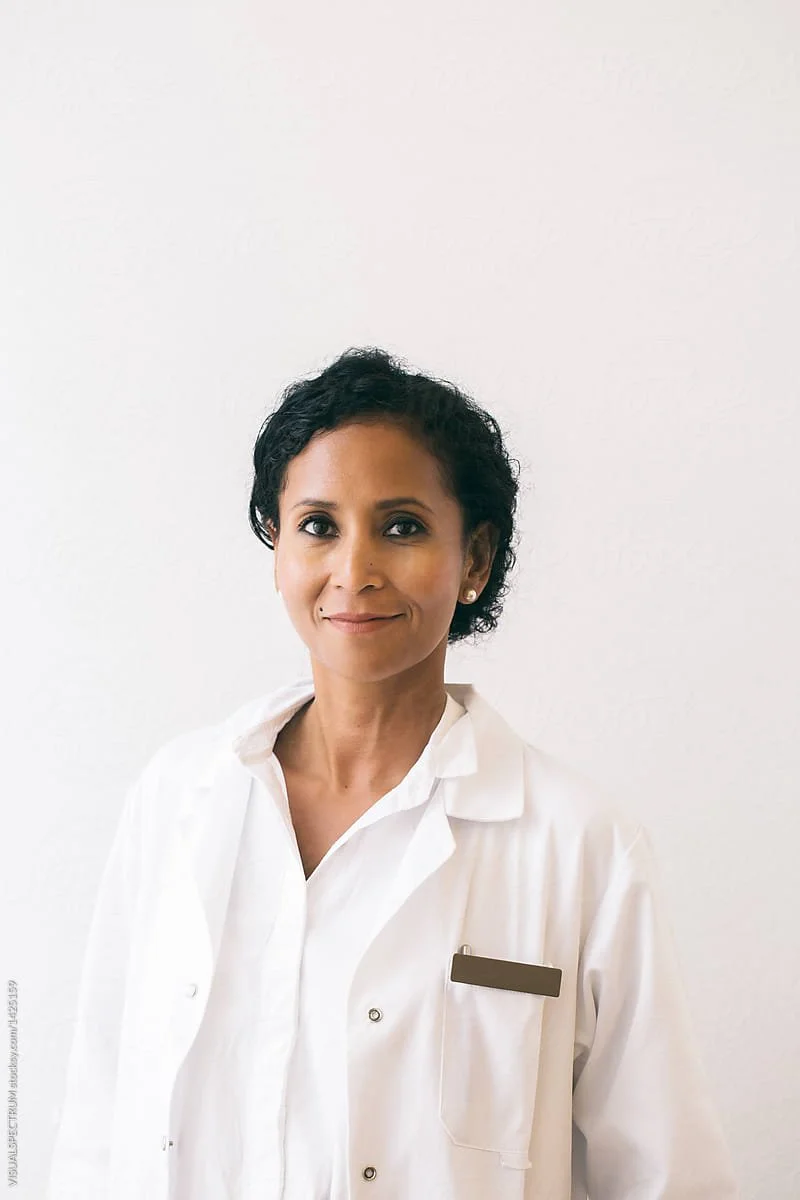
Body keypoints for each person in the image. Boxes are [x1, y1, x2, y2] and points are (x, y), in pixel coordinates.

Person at [47, 347, 739, 1199]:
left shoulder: (579, 845)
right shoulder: (177, 797)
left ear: (474, 558)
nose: (355, 571)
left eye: (402, 526)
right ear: (276, 548)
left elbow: (670, 1179)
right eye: (318, 525)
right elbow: (96, 1125)